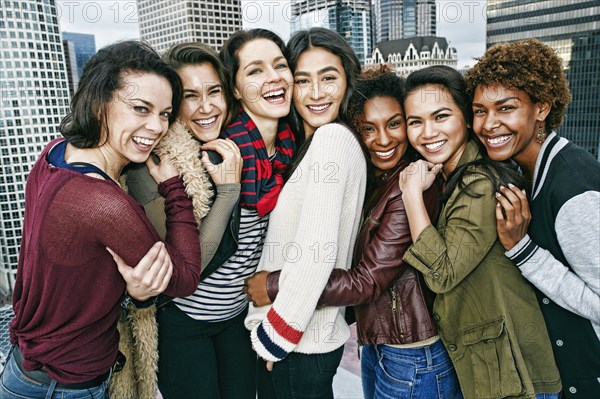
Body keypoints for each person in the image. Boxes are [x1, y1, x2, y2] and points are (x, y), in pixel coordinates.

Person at [2, 41, 202, 399]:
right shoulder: (103, 204)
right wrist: (175, 189)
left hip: (23, 369)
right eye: (141, 109)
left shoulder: (53, 152)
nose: (156, 127)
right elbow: (185, 276)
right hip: (67, 385)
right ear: (99, 104)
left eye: (165, 114)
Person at [248, 66, 462, 399]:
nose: (384, 139)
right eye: (368, 129)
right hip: (383, 346)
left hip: (413, 355)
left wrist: (274, 286)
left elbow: (367, 281)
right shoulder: (379, 181)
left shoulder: (412, 185)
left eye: (394, 124)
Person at [398, 65, 561, 399]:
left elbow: (442, 274)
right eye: (416, 122)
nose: (427, 132)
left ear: (465, 119)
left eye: (441, 116)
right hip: (493, 371)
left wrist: (411, 196)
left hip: (516, 380)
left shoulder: (480, 182)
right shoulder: (451, 176)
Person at [466, 39, 600, 398]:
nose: (489, 124)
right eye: (480, 110)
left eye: (505, 108)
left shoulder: (574, 190)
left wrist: (523, 251)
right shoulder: (523, 170)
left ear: (541, 108)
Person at [243, 27, 368, 399]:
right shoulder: (317, 143)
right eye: (303, 80)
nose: (315, 93)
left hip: (297, 343)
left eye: (328, 78)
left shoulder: (331, 140)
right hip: (304, 341)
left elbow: (317, 253)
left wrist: (275, 337)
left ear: (347, 81)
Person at [122, 42, 243, 399]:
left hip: (235, 317)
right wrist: (227, 193)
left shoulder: (236, 143)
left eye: (214, 92)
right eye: (191, 96)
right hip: (182, 323)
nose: (206, 107)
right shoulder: (154, 163)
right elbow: (185, 268)